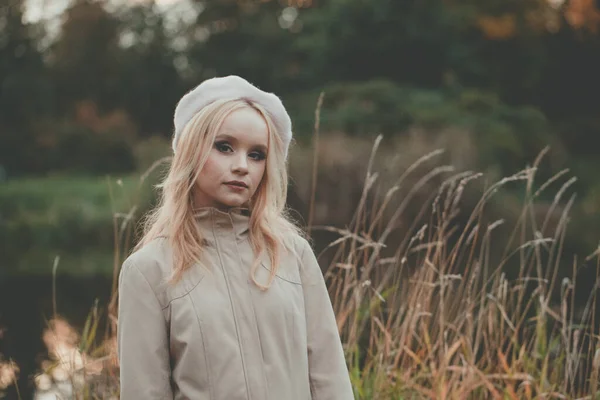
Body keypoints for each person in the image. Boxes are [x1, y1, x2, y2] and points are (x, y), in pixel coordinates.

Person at [117, 75, 354, 399]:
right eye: (224, 147)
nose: (242, 166)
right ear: (191, 150)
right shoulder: (149, 270)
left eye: (256, 154)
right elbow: (144, 393)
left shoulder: (292, 253)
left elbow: (329, 379)